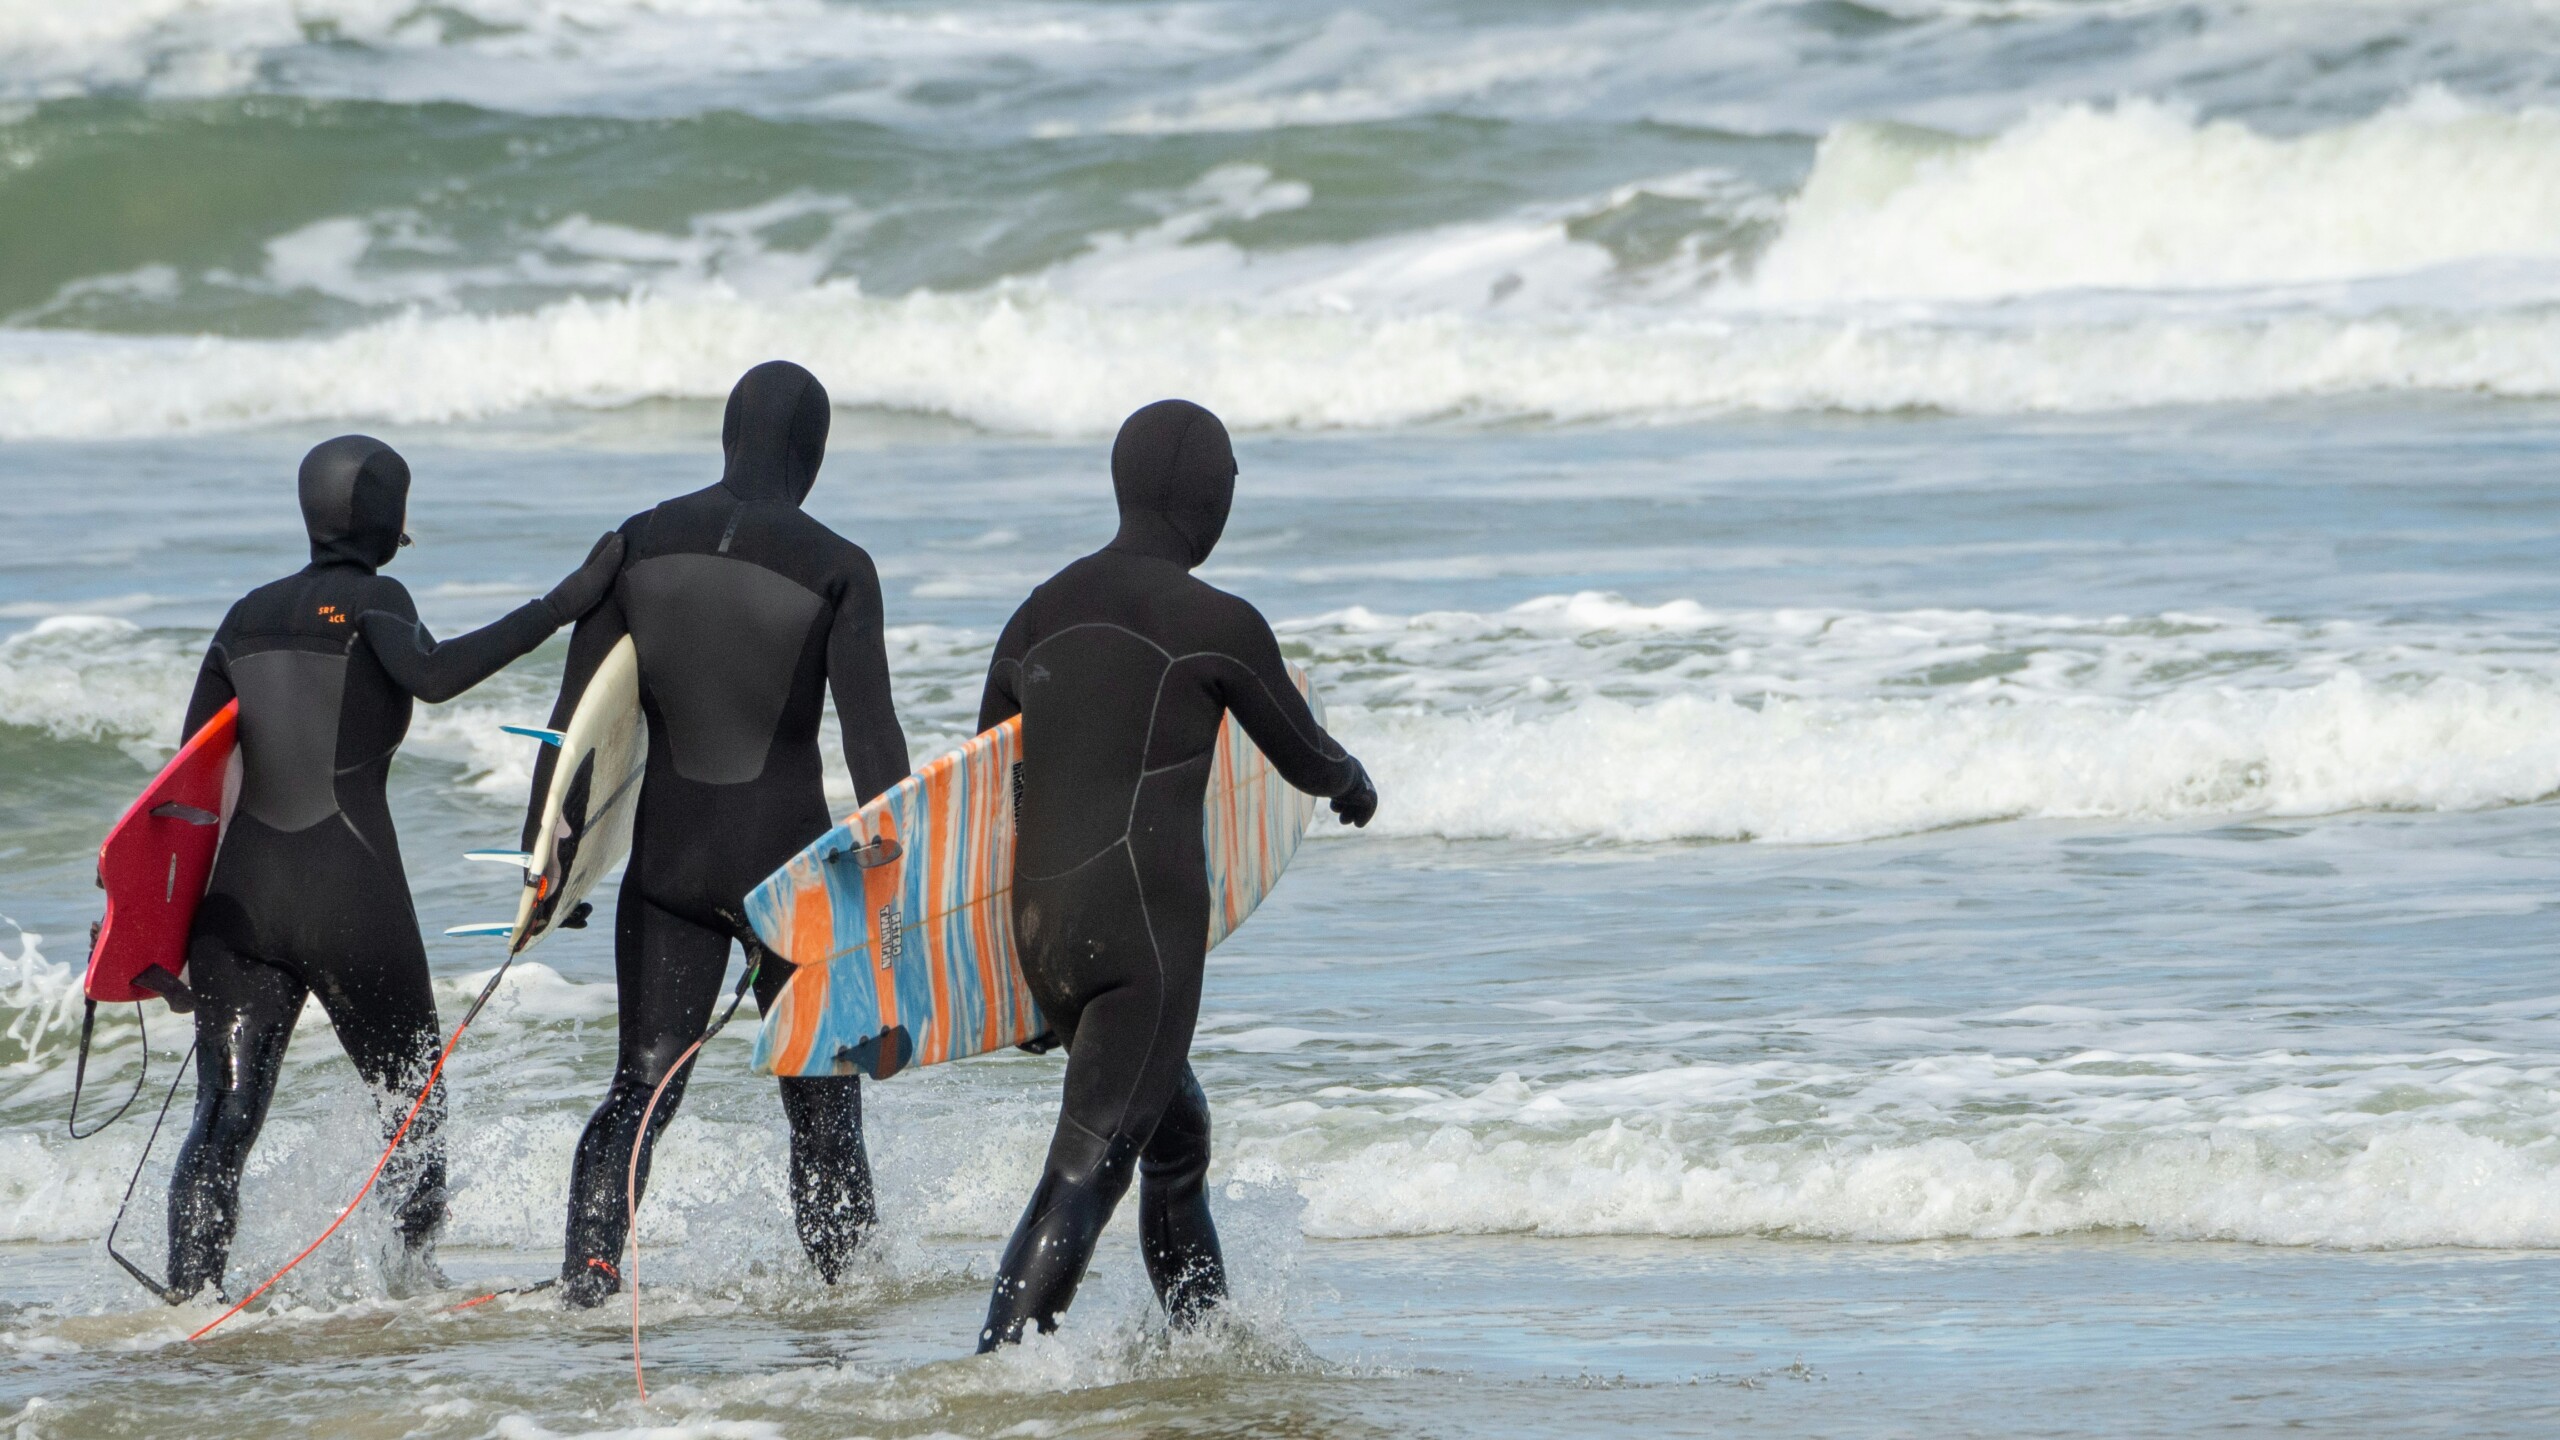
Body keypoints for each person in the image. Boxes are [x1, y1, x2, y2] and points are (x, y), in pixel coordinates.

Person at [166, 435, 623, 1303]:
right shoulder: (381, 604)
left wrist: (159, 930)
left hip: (239, 906)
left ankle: (187, 1309)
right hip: (350, 897)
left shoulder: (244, 615)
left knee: (223, 1120)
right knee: (413, 1114)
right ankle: (410, 1295)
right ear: (385, 519)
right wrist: (563, 603)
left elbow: (185, 788)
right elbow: (439, 675)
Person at [973, 398, 1377, 1349]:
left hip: (1045, 928)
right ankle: (995, 1376)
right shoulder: (1218, 621)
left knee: (1175, 1134)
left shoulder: (1038, 609)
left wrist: (1016, 972)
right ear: (1203, 494)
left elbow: (989, 783)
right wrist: (1354, 783)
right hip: (1143, 930)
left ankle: (1202, 1341)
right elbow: (1304, 754)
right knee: (1086, 1167)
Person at [533, 360, 910, 1309]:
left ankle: (587, 1279)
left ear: (728, 434)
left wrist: (551, 866)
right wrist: (906, 877)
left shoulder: (635, 542)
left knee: (642, 1084)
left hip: (669, 866)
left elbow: (573, 723)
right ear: (813, 451)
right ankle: (843, 1300)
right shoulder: (839, 566)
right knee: (822, 1102)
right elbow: (872, 742)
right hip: (794, 871)